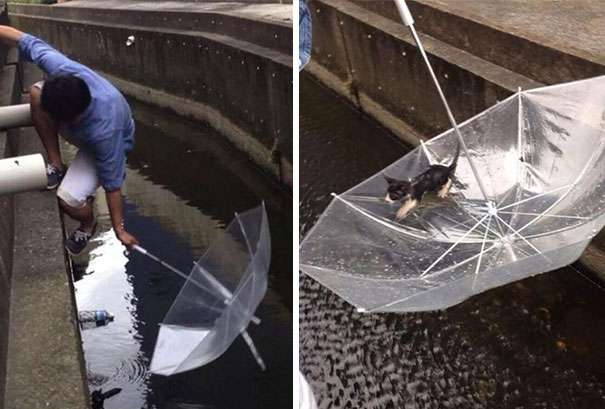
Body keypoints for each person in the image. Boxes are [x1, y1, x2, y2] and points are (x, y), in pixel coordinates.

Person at [0, 26, 139, 254]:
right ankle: (56, 164)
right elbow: (25, 40)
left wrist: (119, 228)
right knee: (36, 93)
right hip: (82, 121)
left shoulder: (106, 131)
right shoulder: (61, 68)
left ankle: (88, 223)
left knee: (68, 200)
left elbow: (112, 184)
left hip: (105, 141)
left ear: (75, 118)